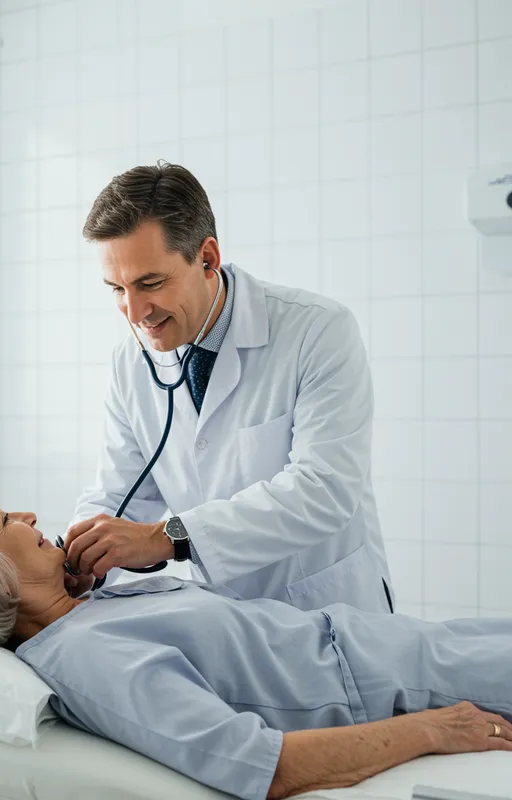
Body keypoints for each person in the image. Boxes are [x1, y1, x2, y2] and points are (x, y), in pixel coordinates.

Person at [0, 480, 512, 800]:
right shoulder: (86, 659)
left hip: (404, 643)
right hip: (404, 681)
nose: (26, 514)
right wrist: (434, 728)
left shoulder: (86, 609)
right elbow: (263, 764)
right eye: (3, 520)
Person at [63, 161, 393, 614]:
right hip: (227, 624)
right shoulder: (130, 362)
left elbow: (324, 490)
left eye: (150, 283)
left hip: (329, 609)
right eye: (116, 289)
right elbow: (120, 493)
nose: (134, 312)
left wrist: (167, 538)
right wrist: (79, 558)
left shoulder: (317, 330)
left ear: (207, 258)